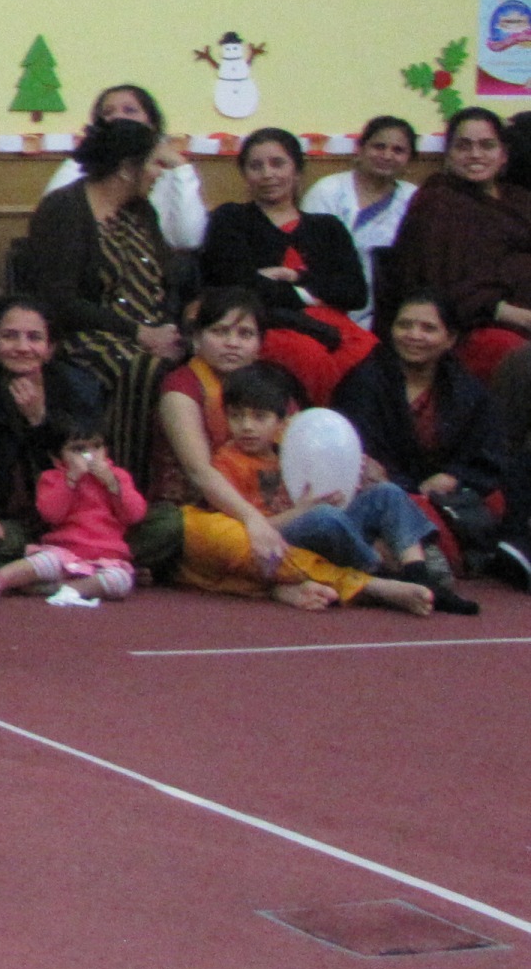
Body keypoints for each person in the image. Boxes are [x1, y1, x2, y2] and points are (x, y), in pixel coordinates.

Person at [210, 365, 466, 613]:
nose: (246, 426)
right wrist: (304, 511)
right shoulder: (226, 462)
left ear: (282, 423)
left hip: (327, 529)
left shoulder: (293, 449)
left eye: (259, 417)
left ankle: (417, 574)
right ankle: (384, 577)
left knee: (386, 493)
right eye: (236, 416)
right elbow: (246, 531)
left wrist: (349, 483)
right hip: (282, 543)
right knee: (324, 517)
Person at [21, 115, 181, 476]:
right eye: (154, 163)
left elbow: (167, 278)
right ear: (127, 168)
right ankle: (128, 484)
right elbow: (59, 300)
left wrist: (169, 328)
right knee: (145, 367)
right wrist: (139, 333)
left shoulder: (141, 211)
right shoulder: (64, 210)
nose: (159, 173)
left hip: (150, 333)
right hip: (86, 336)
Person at [334, 290, 518, 588]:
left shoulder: (466, 389)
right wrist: (409, 487)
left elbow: (490, 455)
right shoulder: (364, 383)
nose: (413, 335)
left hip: (449, 497)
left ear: (450, 339)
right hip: (390, 492)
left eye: (428, 328)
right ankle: (422, 557)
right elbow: (360, 454)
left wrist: (453, 477)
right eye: (404, 325)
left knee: (499, 499)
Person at [0, 294, 113, 581]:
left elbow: (89, 468)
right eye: (9, 337)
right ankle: (76, 567)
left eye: (34, 338)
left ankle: (44, 567)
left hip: (77, 524)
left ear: (50, 348)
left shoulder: (78, 389)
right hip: (7, 522)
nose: (23, 347)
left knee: (167, 525)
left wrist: (40, 421)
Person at [200, 127, 374, 402]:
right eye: (256, 166)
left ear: (297, 170)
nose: (268, 174)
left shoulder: (327, 227)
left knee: (370, 352)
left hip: (335, 325)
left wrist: (292, 276)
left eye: (277, 163)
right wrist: (310, 292)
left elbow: (354, 292)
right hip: (264, 323)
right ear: (245, 175)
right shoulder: (231, 218)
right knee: (307, 355)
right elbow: (237, 286)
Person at [377, 105, 531, 378]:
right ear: (448, 155)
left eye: (487, 145)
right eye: (464, 146)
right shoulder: (437, 201)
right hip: (477, 327)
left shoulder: (520, 199)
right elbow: (445, 289)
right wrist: (520, 316)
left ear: (504, 154)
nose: (475, 155)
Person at [0, 425, 143, 602]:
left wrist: (114, 486)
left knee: (121, 581)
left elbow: (134, 514)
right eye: (79, 449)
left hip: (107, 557)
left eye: (97, 447)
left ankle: (62, 589)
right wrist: (71, 480)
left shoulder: (119, 477)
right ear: (56, 456)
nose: (90, 455)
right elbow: (51, 514)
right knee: (42, 562)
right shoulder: (53, 478)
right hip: (64, 551)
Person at [41, 83, 206, 251]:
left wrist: (181, 168)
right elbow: (53, 224)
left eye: (130, 111)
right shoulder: (79, 164)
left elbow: (188, 240)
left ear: (152, 125)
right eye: (108, 113)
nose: (118, 118)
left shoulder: (164, 170)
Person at [304, 114, 419, 313]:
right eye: (379, 146)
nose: (387, 155)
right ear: (360, 149)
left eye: (398, 150)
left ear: (409, 158)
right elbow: (308, 256)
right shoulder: (328, 191)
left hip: (393, 308)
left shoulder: (413, 198)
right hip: (329, 303)